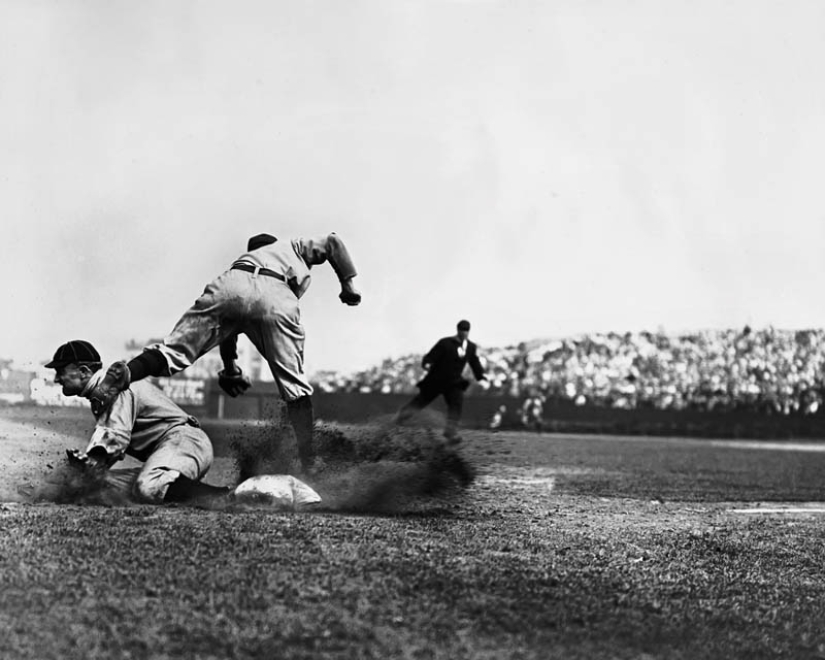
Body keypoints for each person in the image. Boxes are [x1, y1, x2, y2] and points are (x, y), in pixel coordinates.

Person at [89, 232, 362, 475]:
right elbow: (333, 241)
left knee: (172, 352)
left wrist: (230, 368)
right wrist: (348, 285)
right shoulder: (292, 246)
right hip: (276, 296)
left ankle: (128, 371)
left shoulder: (244, 260)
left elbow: (228, 328)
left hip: (230, 286)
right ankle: (309, 463)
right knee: (295, 388)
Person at [46, 339, 227, 503]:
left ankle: (227, 496)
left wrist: (92, 462)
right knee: (96, 486)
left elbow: (115, 439)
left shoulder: (115, 387)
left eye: (61, 371)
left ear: (84, 371)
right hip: (171, 452)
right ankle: (178, 485)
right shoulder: (102, 393)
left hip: (184, 442)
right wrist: (86, 472)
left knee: (147, 487)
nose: (56, 378)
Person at [395, 319, 487, 443]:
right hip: (436, 380)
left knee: (456, 402)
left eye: (466, 331)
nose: (464, 333)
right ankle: (400, 418)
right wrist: (427, 363)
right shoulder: (445, 343)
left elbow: (474, 362)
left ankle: (450, 431)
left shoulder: (470, 347)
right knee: (421, 401)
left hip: (453, 382)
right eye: (462, 330)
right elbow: (431, 356)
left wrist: (480, 376)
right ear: (458, 330)